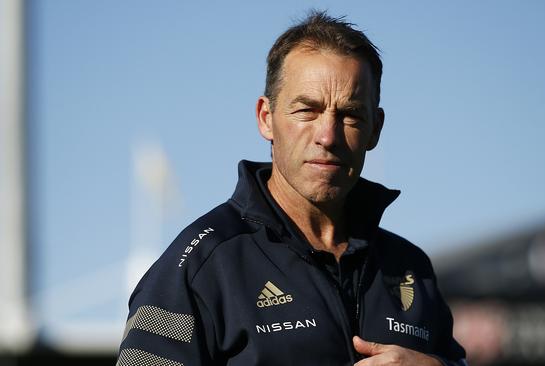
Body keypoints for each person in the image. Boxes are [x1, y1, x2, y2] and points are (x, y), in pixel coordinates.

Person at [117, 11, 467, 366]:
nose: (327, 136)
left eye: (350, 116)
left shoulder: (410, 267)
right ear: (266, 118)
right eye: (307, 111)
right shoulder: (197, 269)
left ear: (375, 129)